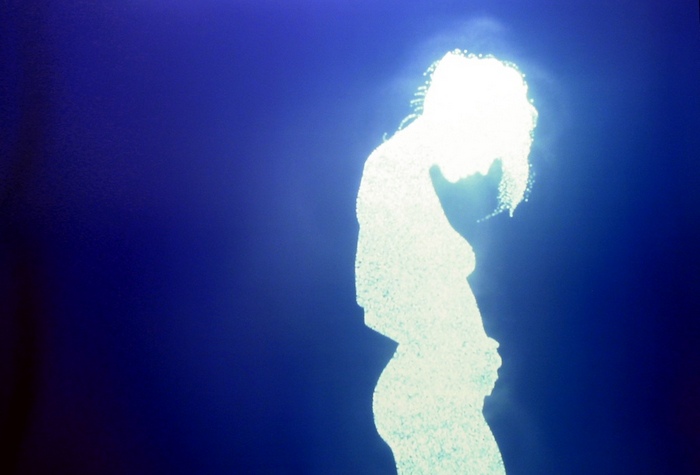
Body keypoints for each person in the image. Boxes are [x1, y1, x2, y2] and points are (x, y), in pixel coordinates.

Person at [355, 51, 537, 474]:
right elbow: (381, 297)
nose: (485, 166)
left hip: (437, 395)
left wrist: (470, 351)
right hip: (429, 400)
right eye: (490, 149)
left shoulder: (400, 175)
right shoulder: (391, 177)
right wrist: (463, 351)